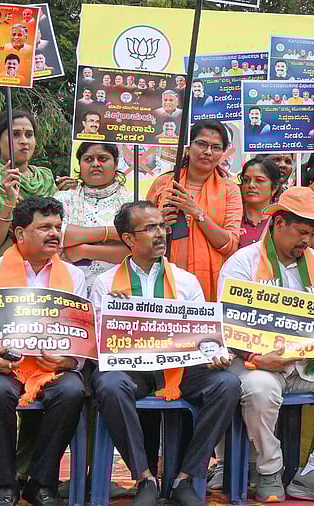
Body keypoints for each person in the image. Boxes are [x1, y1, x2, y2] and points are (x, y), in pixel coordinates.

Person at [218, 186, 314, 504]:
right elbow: (228, 325)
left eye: (312, 233)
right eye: (302, 232)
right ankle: (270, 470)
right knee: (260, 388)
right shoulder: (241, 263)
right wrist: (257, 357)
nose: (306, 240)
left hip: (307, 363)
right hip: (258, 363)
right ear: (278, 222)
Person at [90, 201, 239, 506]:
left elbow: (201, 336)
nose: (161, 234)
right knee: (108, 383)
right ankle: (144, 476)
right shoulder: (105, 285)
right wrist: (115, 313)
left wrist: (215, 353)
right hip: (134, 371)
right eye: (150, 228)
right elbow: (99, 343)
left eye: (162, 226)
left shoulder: (186, 281)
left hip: (181, 371)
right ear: (129, 239)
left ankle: (186, 477)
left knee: (228, 384)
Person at [0, 197, 87, 506]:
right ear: (20, 234)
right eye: (44, 227)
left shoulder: (74, 277)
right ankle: (4, 483)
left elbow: (81, 335)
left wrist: (71, 360)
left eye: (57, 227)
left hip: (53, 368)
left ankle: (40, 483)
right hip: (2, 369)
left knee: (72, 391)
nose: (54, 233)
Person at [147, 119, 243, 301]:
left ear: (223, 153)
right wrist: (160, 224)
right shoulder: (164, 183)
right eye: (201, 144)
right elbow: (141, 231)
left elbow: (230, 245)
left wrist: (197, 213)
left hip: (209, 281)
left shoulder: (230, 189)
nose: (208, 152)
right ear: (188, 147)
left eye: (216, 147)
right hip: (162, 275)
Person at [0, 110, 57, 261]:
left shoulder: (45, 177)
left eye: (29, 135)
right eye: (15, 134)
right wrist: (9, 204)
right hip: (4, 267)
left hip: (47, 265)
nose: (24, 141)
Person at [54, 142, 131, 295]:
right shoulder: (63, 198)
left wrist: (83, 250)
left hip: (119, 292)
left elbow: (136, 250)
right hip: (69, 289)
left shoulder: (131, 202)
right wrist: (111, 233)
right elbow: (58, 236)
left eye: (103, 158)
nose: (96, 164)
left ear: (115, 164)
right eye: (88, 159)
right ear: (80, 165)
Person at [237, 156, 281, 248]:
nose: (251, 185)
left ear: (274, 188)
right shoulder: (232, 215)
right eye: (246, 180)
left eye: (259, 180)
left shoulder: (281, 219)